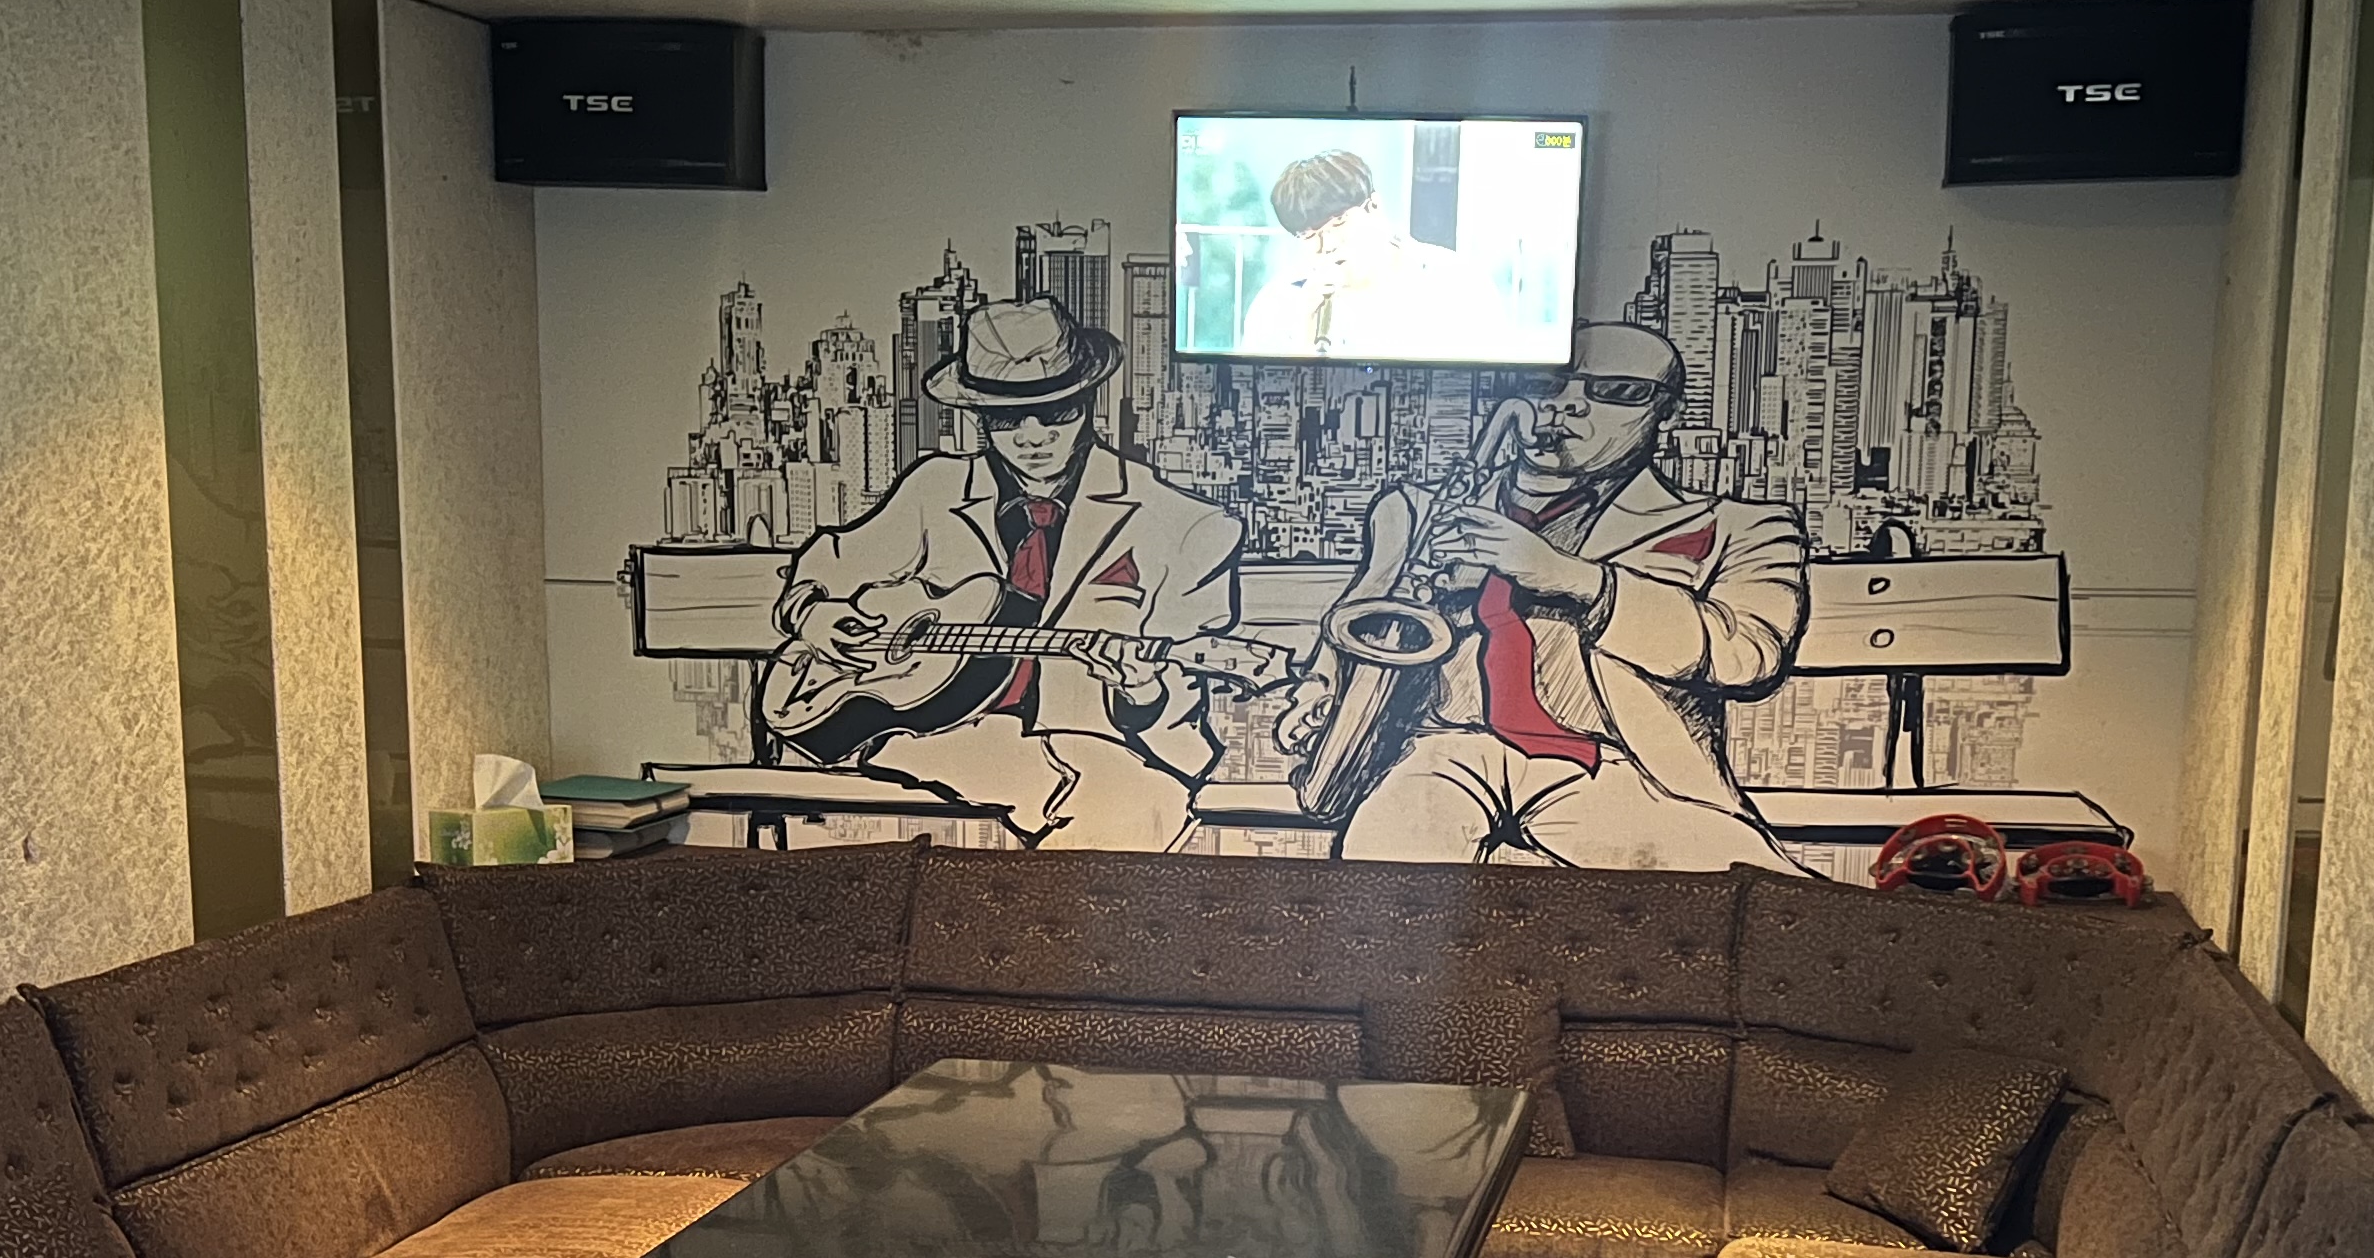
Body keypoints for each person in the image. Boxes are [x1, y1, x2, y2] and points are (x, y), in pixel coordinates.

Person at [1279, 321, 1807, 870]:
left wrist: (1572, 577)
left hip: (1620, 767)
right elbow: (1361, 618)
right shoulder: (1415, 511)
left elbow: (1746, 656)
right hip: (1444, 748)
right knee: (1384, 876)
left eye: (1615, 390)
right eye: (1544, 384)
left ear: (1668, 411)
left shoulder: (1744, 527)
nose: (1567, 405)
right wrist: (1321, 688)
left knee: (1754, 893)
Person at [770, 298, 1273, 849]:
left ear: (1087, 400)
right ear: (980, 417)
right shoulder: (934, 489)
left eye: (1055, 412)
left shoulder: (1189, 526)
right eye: (1007, 419)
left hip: (1098, 749)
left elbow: (1176, 717)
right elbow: (832, 562)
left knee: (1142, 804)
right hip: (930, 737)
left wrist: (1141, 685)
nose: (1033, 436)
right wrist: (814, 615)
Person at [1233, 147, 1496, 362]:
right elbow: (1259, 395)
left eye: (1339, 222)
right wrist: (1305, 328)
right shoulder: (1277, 303)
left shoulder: (1456, 279)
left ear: (1375, 206)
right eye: (1309, 235)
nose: (1328, 243)